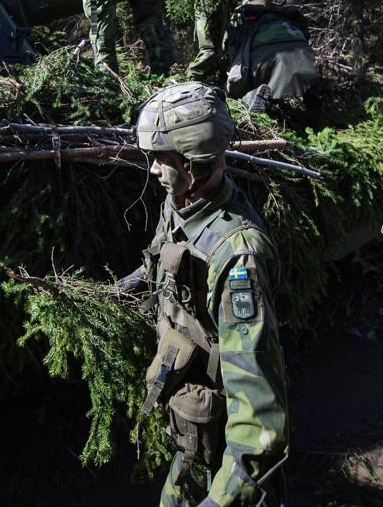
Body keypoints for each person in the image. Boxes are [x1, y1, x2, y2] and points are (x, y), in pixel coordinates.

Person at [129, 81, 290, 506]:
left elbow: (258, 413)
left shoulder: (238, 257)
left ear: (194, 163)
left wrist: (223, 499)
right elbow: (164, 262)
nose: (153, 171)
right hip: (189, 425)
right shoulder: (181, 202)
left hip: (219, 448)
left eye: (162, 161)